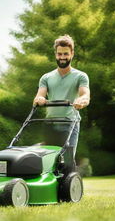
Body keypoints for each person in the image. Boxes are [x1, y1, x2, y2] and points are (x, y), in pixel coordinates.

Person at [33, 34, 90, 174]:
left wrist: (82, 100)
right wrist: (40, 99)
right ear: (55, 54)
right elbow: (39, 95)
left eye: (65, 54)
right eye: (59, 54)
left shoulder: (80, 76)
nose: (62, 57)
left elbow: (85, 94)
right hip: (50, 123)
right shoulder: (46, 77)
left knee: (67, 161)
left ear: (72, 54)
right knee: (48, 159)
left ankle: (68, 189)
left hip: (70, 122)